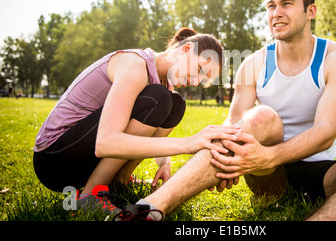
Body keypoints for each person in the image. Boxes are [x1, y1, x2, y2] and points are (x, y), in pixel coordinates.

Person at [115, 0, 336, 222]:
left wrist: (267, 154)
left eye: (287, 4)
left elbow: (325, 134)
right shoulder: (253, 63)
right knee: (263, 116)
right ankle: (151, 207)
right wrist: (244, 160)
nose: (276, 13)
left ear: (311, 11)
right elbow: (232, 126)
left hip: (319, 172)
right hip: (265, 174)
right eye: (270, 6)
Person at [33, 27, 240, 216]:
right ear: (186, 49)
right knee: (159, 98)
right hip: (54, 159)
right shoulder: (135, 65)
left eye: (203, 81)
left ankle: (118, 182)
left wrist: (164, 160)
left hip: (79, 159)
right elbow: (106, 143)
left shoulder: (162, 85)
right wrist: (189, 143)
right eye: (200, 70)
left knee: (175, 103)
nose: (196, 81)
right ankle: (91, 194)